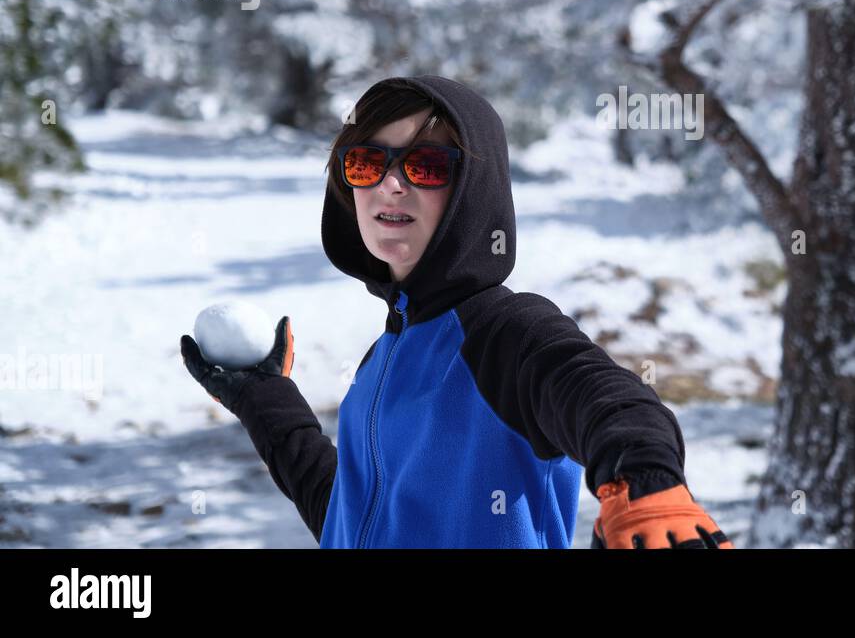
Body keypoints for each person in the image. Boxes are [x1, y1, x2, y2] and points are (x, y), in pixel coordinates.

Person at [181, 74, 733, 548]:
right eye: (368, 161)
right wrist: (265, 400)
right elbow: (352, 521)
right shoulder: (384, 359)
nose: (390, 184)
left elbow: (600, 392)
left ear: (474, 188)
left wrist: (647, 478)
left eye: (425, 166)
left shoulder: (504, 333)